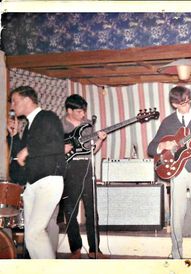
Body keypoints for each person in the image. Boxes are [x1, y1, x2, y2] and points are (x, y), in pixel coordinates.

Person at [148, 86, 191, 259]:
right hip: (176, 171)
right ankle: (176, 256)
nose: (187, 105)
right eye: (182, 103)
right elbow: (151, 148)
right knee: (177, 217)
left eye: (188, 101)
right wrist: (163, 145)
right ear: (174, 104)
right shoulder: (168, 122)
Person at [8, 86, 66, 259]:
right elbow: (20, 158)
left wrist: (29, 149)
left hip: (48, 181)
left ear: (27, 100)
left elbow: (58, 146)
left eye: (14, 101)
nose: (12, 106)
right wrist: (14, 136)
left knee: (34, 233)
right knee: (32, 236)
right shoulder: (27, 127)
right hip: (32, 184)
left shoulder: (48, 117)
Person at [62, 94, 108, 259]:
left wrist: (100, 141)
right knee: (70, 211)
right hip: (69, 169)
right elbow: (53, 150)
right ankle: (75, 249)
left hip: (87, 168)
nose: (83, 115)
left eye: (84, 111)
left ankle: (95, 249)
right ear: (69, 110)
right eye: (80, 112)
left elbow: (91, 150)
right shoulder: (60, 126)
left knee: (92, 211)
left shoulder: (87, 125)